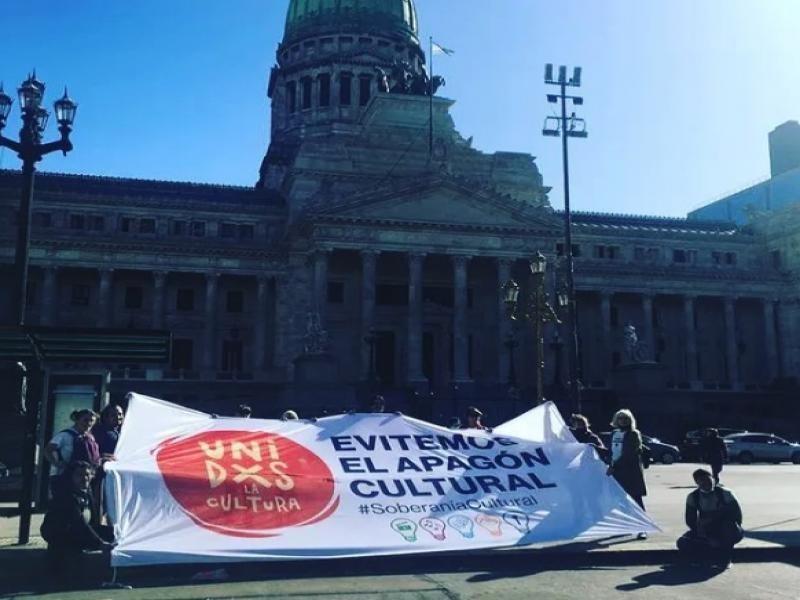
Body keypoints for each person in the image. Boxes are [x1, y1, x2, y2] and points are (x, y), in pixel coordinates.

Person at [40, 461, 114, 576]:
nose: (85, 478)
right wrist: (100, 543)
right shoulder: (67, 497)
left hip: (79, 531)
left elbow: (91, 524)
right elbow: (79, 524)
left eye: (87, 475)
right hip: (62, 534)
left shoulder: (87, 493)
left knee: (113, 533)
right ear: (71, 477)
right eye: (80, 475)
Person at [677, 468, 743, 568]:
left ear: (713, 479)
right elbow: (690, 521)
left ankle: (725, 559)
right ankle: (702, 559)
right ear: (697, 483)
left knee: (728, 529)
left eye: (708, 480)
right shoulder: (693, 497)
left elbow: (737, 516)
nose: (706, 483)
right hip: (707, 529)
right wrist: (706, 535)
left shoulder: (726, 494)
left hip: (727, 529)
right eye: (702, 481)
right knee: (683, 542)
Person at [606, 408, 648, 538]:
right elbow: (611, 451)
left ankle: (642, 528)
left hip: (630, 471)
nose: (623, 421)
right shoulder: (614, 433)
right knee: (620, 499)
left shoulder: (634, 434)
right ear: (616, 420)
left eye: (625, 418)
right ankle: (625, 526)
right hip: (617, 472)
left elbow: (630, 454)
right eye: (620, 418)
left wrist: (614, 466)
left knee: (635, 499)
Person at [45, 409, 101, 498]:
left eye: (92, 421)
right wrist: (57, 463)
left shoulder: (90, 438)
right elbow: (48, 450)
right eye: (85, 420)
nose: (88, 423)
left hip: (84, 479)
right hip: (65, 477)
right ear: (77, 420)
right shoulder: (64, 435)